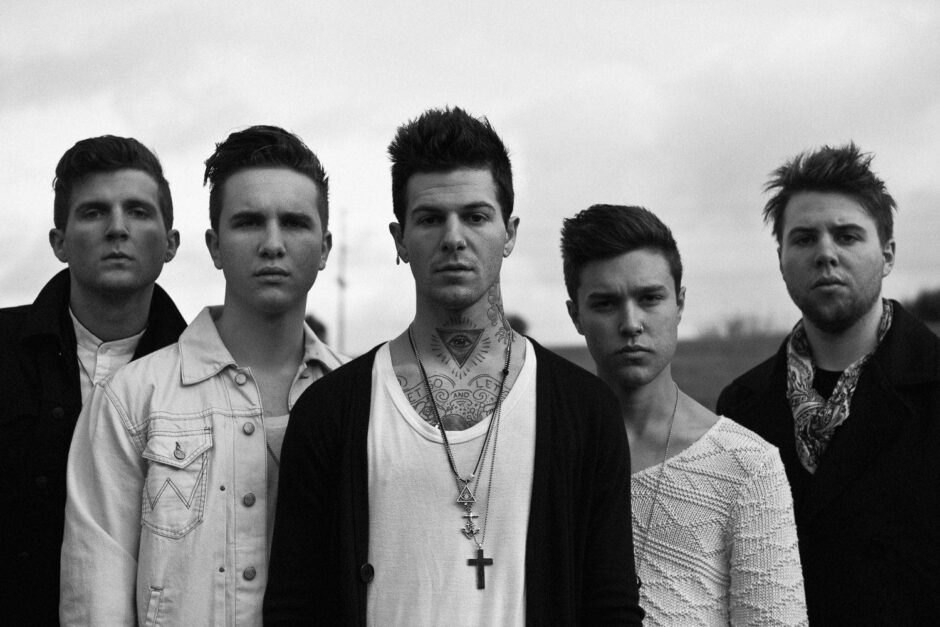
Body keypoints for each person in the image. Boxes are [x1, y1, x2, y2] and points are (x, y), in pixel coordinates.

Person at [264, 107, 643, 625]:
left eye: (476, 216)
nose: (454, 238)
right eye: (429, 219)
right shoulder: (331, 412)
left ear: (509, 233)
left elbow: (610, 605)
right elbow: (293, 608)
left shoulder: (584, 410)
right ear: (400, 239)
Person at [60, 125, 347, 625]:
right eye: (249, 222)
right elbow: (95, 600)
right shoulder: (132, 399)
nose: (272, 244)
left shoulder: (359, 398)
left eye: (294, 223)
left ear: (324, 248)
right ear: (214, 246)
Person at [716, 143, 940, 625]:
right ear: (781, 260)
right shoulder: (741, 408)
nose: (825, 254)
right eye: (804, 239)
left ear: (887, 255)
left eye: (847, 236)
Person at [562, 204, 807, 626]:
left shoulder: (747, 466)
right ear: (575, 316)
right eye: (605, 304)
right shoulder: (547, 451)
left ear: (679, 304)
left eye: (649, 298)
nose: (631, 323)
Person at [0, 135, 186, 625]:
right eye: (94, 212)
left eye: (138, 212)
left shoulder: (203, 375)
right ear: (59, 242)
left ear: (171, 243)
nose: (117, 228)